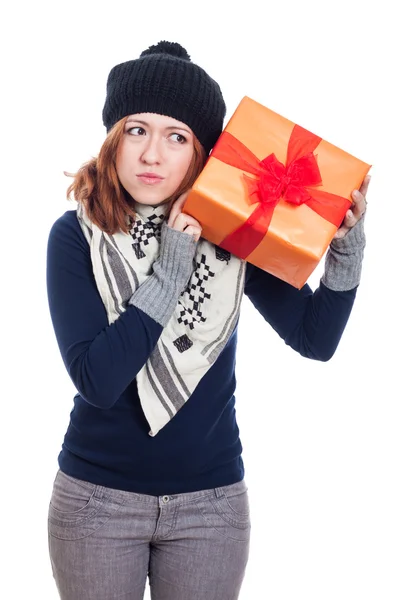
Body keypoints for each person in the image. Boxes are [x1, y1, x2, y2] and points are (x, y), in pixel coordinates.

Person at [46, 41, 369, 600]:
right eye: (136, 130)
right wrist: (170, 272)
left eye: (177, 137)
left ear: (201, 154)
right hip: (96, 504)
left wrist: (344, 251)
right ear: (111, 140)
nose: (152, 155)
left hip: (211, 509)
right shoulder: (75, 235)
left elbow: (316, 340)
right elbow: (97, 380)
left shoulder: (231, 238)